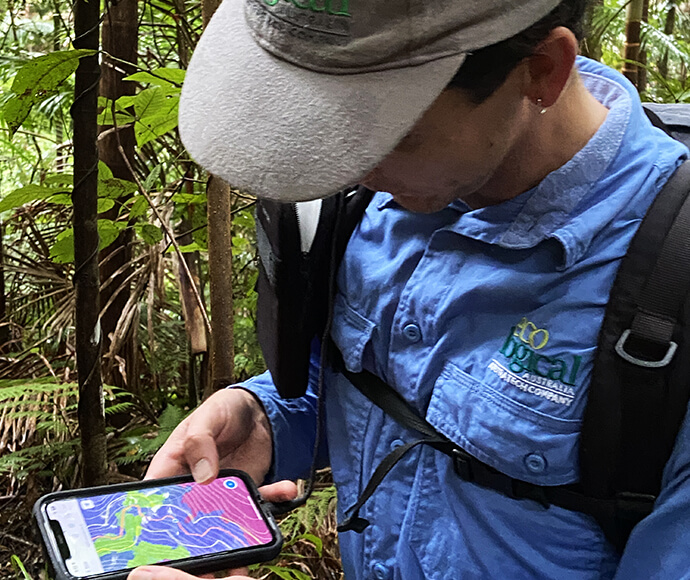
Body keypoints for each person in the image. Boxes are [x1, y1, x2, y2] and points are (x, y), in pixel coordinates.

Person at [129, 0, 690, 578]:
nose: (345, 168)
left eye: (384, 131)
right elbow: (388, 384)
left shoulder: (670, 280)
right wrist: (268, 416)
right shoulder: (379, 202)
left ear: (542, 71)